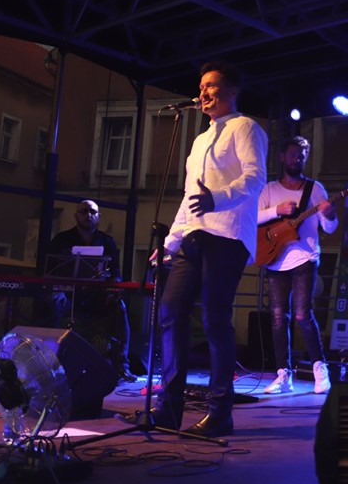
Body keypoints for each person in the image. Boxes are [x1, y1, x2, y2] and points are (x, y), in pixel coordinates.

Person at [121, 61, 267, 438]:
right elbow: (190, 198)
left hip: (228, 235)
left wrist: (218, 198)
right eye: (201, 87)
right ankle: (169, 408)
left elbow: (255, 178)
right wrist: (170, 242)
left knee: (215, 317)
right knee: (170, 309)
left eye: (211, 86)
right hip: (194, 236)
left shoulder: (245, 127)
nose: (203, 93)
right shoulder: (200, 139)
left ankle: (220, 413)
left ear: (232, 90)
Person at [258, 136, 337, 395]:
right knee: (278, 317)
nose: (297, 159)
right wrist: (277, 210)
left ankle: (320, 369)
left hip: (305, 258)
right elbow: (254, 218)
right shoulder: (269, 189)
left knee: (302, 314)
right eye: (293, 154)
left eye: (302, 155)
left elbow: (329, 228)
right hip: (275, 260)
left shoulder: (315, 189)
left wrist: (330, 215)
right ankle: (283, 374)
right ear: (282, 157)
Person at [48, 199, 136, 385]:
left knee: (120, 308)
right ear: (76, 216)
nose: (88, 215)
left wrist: (112, 289)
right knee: (53, 303)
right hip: (69, 295)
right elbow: (51, 271)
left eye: (93, 212)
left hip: (97, 296)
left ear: (98, 217)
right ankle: (52, 364)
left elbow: (116, 273)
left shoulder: (107, 241)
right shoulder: (62, 240)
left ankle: (122, 365)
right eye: (83, 211)